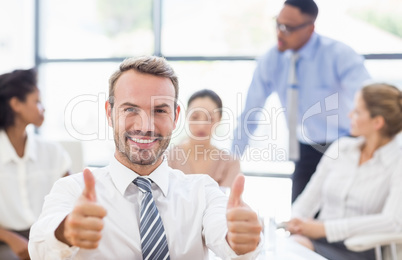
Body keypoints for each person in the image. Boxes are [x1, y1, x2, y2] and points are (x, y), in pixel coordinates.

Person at [28, 56, 262, 259]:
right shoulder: (71, 190)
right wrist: (66, 232)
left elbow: (223, 232)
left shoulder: (202, 191)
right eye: (130, 109)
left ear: (175, 116)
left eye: (159, 110)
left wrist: (238, 238)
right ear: (110, 114)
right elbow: (39, 248)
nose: (145, 126)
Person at [231, 0, 371, 202]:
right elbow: (252, 110)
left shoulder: (339, 55)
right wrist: (233, 157)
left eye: (288, 28)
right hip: (306, 148)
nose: (280, 33)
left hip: (344, 146)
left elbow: (369, 99)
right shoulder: (271, 60)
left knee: (340, 215)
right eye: (278, 24)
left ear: (310, 28)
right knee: (298, 218)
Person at [286, 83, 402, 260]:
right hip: (316, 239)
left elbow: (393, 221)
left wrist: (324, 229)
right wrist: (297, 220)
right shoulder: (340, 149)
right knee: (292, 247)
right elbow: (307, 200)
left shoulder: (397, 162)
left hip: (359, 248)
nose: (350, 115)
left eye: (357, 112)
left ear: (377, 122)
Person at [0, 69, 71, 260]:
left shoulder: (52, 152)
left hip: (47, 235)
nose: (43, 108)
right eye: (37, 101)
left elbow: (72, 199)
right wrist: (10, 238)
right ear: (16, 104)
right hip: (4, 240)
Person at [168, 89, 241, 188]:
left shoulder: (230, 163)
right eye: (195, 117)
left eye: (210, 118)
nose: (201, 125)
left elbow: (228, 201)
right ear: (186, 116)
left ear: (219, 119)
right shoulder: (167, 159)